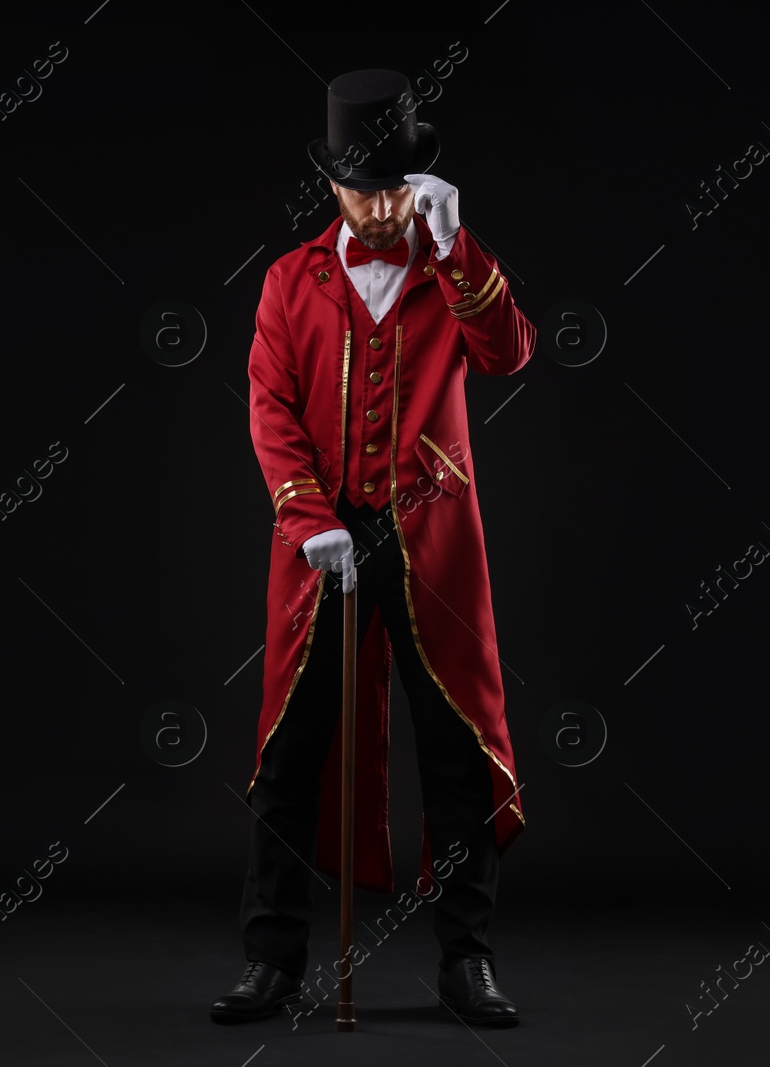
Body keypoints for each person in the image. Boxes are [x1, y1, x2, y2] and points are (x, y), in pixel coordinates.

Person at [209, 68, 535, 1029]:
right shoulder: (288, 279)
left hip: (432, 541)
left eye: (400, 189)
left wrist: (460, 246)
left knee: (457, 755)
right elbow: (270, 410)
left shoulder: (450, 266)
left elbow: (509, 352)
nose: (385, 207)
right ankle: (271, 958)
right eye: (367, 190)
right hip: (324, 547)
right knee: (289, 752)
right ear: (334, 188)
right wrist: (311, 522)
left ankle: (466, 959)